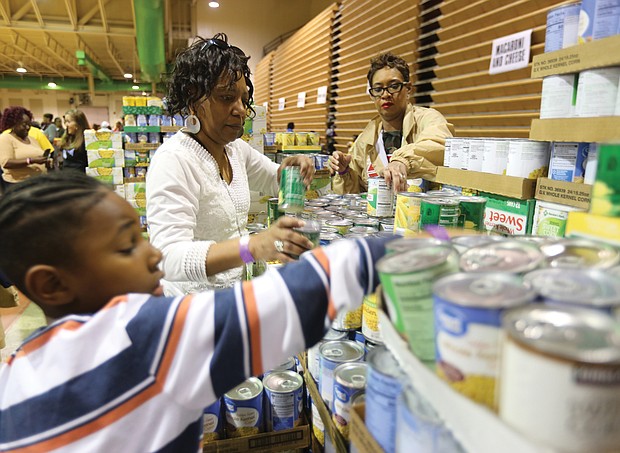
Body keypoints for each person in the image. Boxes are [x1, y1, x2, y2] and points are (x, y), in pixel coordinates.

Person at [0, 171, 389, 451]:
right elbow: (298, 294)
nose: (154, 254)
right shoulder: (144, 338)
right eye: (127, 246)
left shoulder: (13, 372)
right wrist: (416, 248)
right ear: (51, 285)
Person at [147, 33, 316, 296]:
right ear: (194, 100)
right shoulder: (174, 160)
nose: (239, 109)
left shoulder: (236, 150)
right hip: (193, 309)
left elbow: (274, 180)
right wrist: (251, 246)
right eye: (226, 97)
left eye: (243, 99)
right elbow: (168, 257)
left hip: (234, 297)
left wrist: (293, 170)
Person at [329, 52, 453, 194]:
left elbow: (440, 143)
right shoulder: (366, 139)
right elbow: (354, 195)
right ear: (372, 94)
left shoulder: (428, 119)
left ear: (408, 89)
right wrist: (345, 171)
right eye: (378, 89)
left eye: (394, 86)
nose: (385, 94)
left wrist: (403, 161)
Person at [0, 106, 52, 186]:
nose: (27, 128)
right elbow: (6, 163)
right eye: (24, 125)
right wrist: (31, 160)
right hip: (19, 185)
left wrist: (46, 162)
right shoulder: (5, 138)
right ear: (13, 124)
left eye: (29, 125)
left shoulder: (32, 139)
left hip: (38, 182)